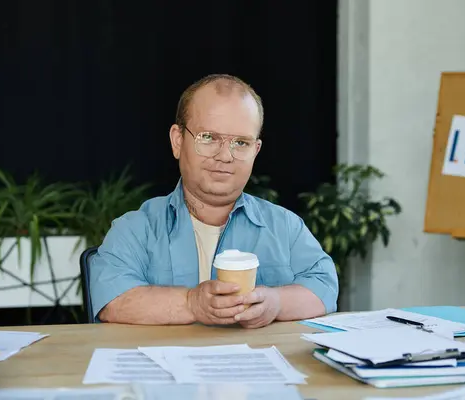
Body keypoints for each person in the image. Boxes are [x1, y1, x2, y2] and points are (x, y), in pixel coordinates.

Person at [89, 74, 339, 328]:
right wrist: (192, 304)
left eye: (241, 142)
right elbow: (112, 301)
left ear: (256, 151)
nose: (225, 156)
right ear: (178, 141)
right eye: (208, 138)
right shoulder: (134, 229)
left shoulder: (285, 227)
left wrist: (276, 302)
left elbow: (324, 287)